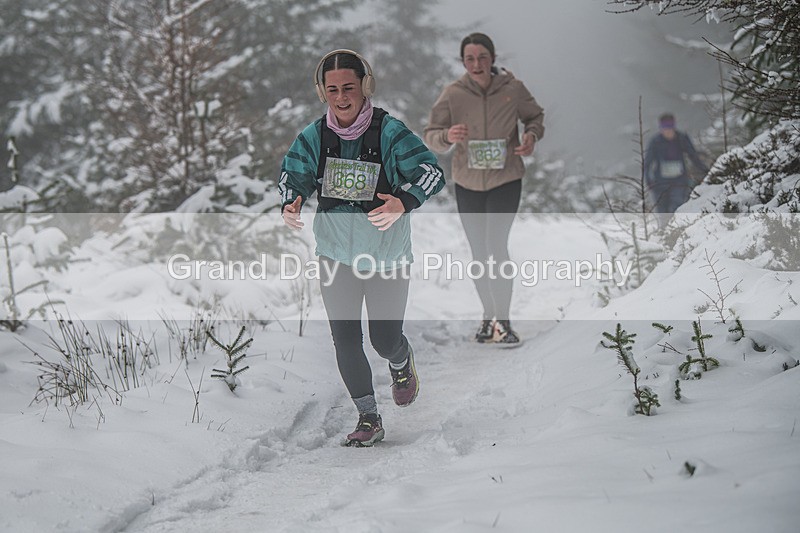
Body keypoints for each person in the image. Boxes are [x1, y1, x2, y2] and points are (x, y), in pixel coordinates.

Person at [278, 49, 445, 447]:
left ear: (365, 86)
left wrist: (403, 201)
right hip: (335, 255)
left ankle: (400, 361)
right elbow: (292, 175)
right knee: (346, 339)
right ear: (322, 91)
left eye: (349, 87)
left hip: (386, 257)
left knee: (383, 339)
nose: (341, 97)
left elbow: (432, 173)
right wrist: (291, 201)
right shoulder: (314, 136)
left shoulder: (390, 132)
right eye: (333, 89)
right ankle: (368, 417)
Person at [424, 32, 544, 345]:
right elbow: (431, 133)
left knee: (495, 245)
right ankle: (488, 316)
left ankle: (503, 321)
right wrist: (447, 136)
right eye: (470, 59)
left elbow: (535, 117)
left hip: (506, 179)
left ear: (492, 59)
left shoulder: (513, 88)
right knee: (479, 251)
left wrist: (530, 137)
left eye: (482, 57)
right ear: (463, 62)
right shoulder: (453, 93)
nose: (476, 64)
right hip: (468, 183)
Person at [644, 113, 709, 228]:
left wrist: (706, 171)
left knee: (677, 208)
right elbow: (647, 163)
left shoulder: (681, 138)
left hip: (679, 182)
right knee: (663, 213)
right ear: (661, 128)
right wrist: (649, 182)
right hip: (660, 184)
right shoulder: (655, 142)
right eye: (665, 128)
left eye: (670, 127)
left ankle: (675, 231)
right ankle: (664, 233)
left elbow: (693, 156)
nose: (668, 131)